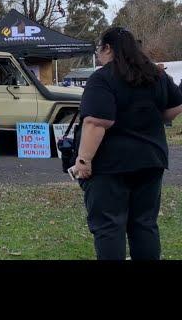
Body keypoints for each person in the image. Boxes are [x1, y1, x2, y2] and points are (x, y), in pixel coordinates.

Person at [72, 27, 182, 260]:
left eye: (99, 49)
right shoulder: (155, 75)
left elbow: (96, 122)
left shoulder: (102, 78)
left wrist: (83, 160)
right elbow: (171, 111)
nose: (99, 54)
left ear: (108, 48)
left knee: (109, 226)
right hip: (151, 160)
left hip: (110, 165)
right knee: (144, 224)